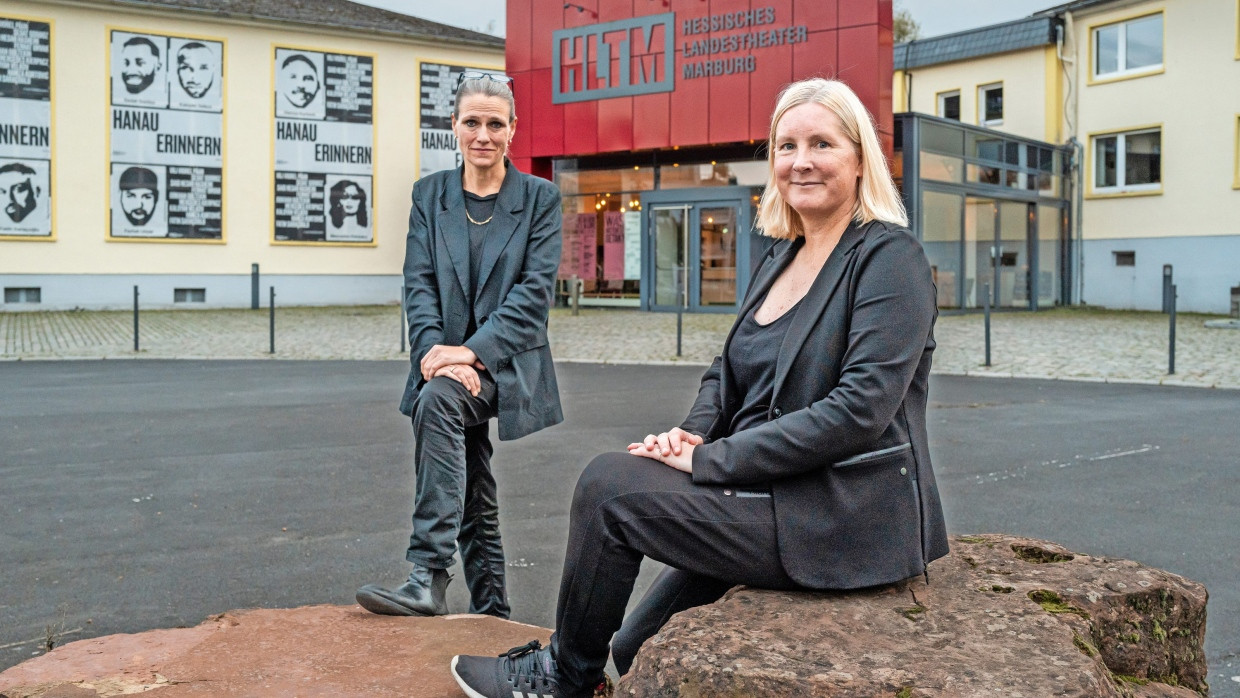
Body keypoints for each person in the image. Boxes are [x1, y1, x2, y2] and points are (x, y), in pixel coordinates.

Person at [450, 77, 950, 698]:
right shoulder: (782, 257)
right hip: (772, 490)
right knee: (639, 648)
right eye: (786, 145)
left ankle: (564, 679)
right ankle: (591, 674)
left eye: (822, 143)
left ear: (858, 158)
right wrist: (693, 431)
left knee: (610, 488)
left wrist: (712, 459)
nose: (801, 161)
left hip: (839, 517)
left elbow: (859, 411)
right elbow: (728, 370)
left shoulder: (890, 258)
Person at [355, 71, 563, 620]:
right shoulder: (430, 196)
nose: (483, 135)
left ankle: (427, 573)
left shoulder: (540, 199)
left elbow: (532, 298)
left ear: (513, 130)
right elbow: (418, 284)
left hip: (505, 362)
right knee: (472, 484)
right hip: (443, 362)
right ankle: (492, 612)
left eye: (496, 123)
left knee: (440, 403)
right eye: (472, 121)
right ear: (454, 125)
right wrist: (433, 357)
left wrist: (468, 355)